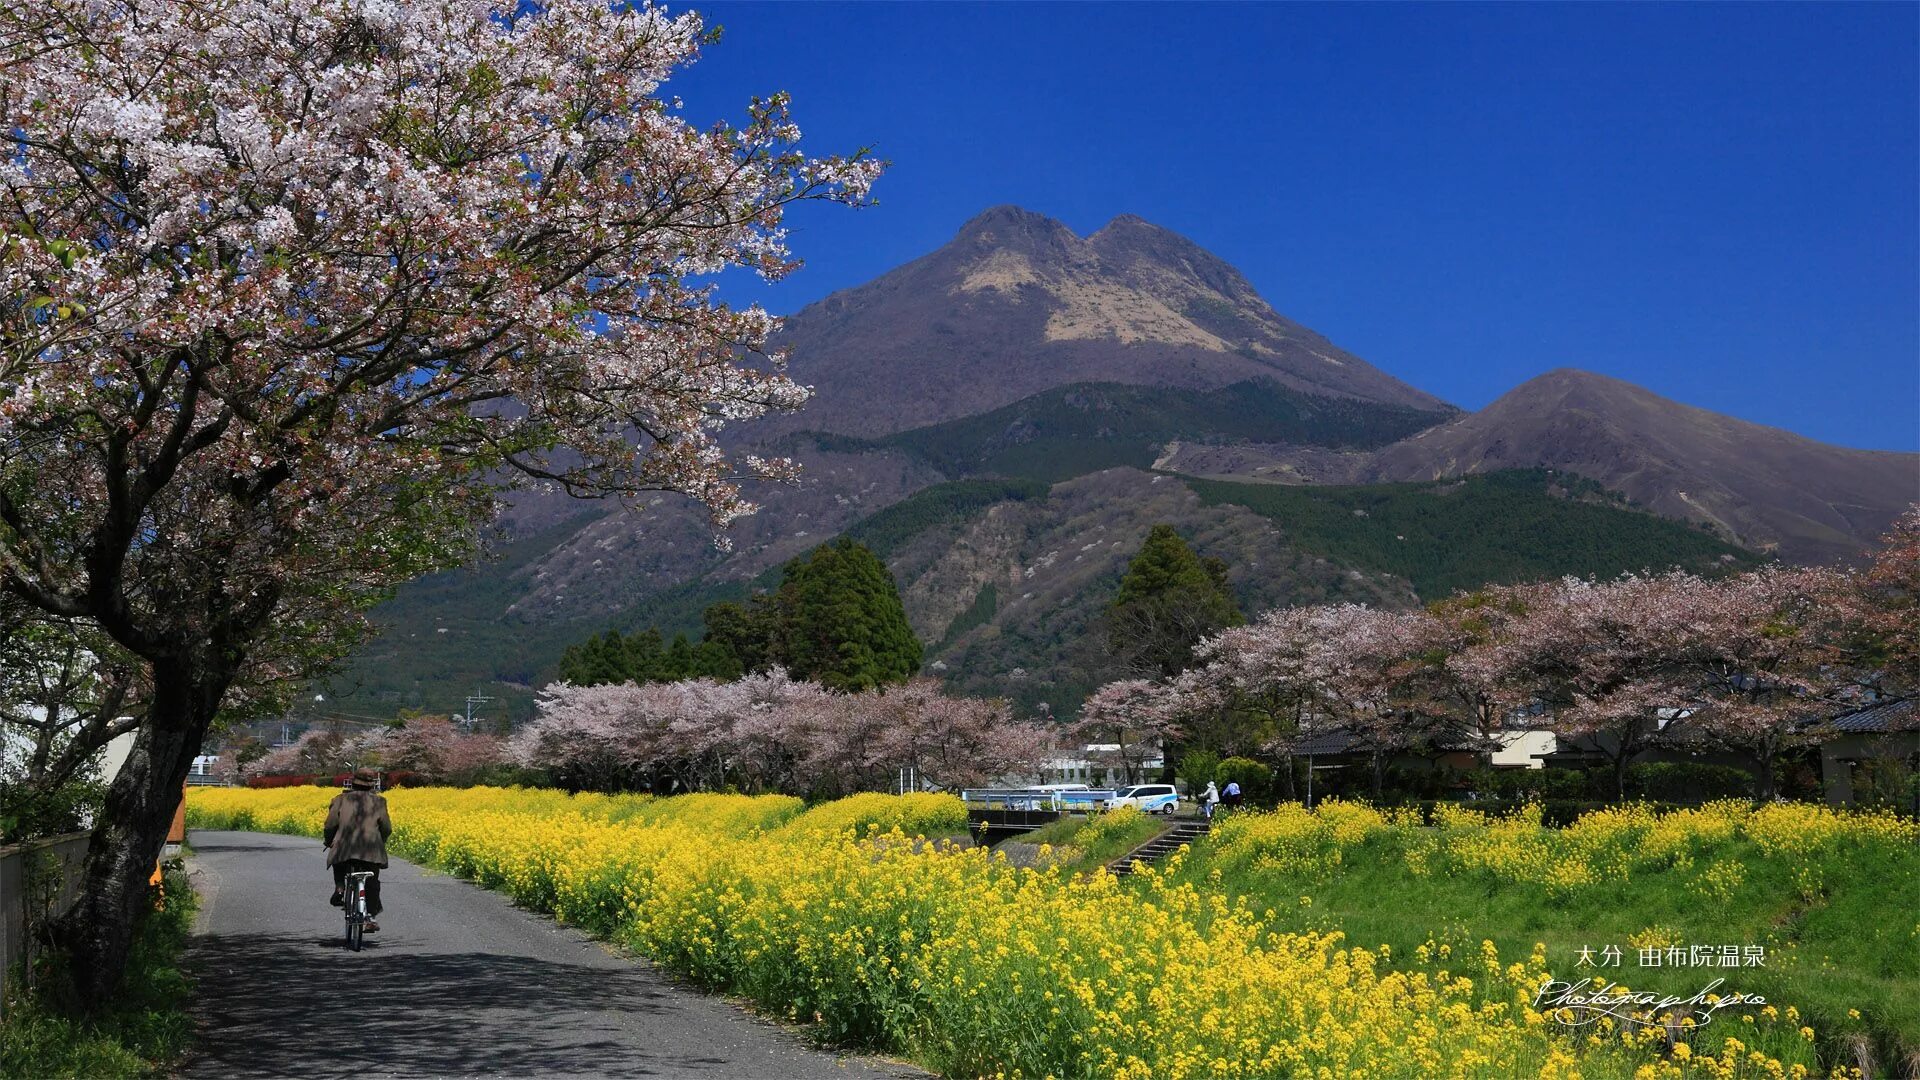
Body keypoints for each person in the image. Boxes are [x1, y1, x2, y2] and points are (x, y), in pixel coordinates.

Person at [325, 768, 392, 932]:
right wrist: (380, 842)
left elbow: (330, 824)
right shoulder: (379, 802)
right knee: (373, 880)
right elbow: (387, 828)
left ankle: (340, 888)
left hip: (345, 848)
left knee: (339, 861)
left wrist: (329, 841)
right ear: (371, 785)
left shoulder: (340, 799)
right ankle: (370, 916)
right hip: (371, 849)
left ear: (353, 782)